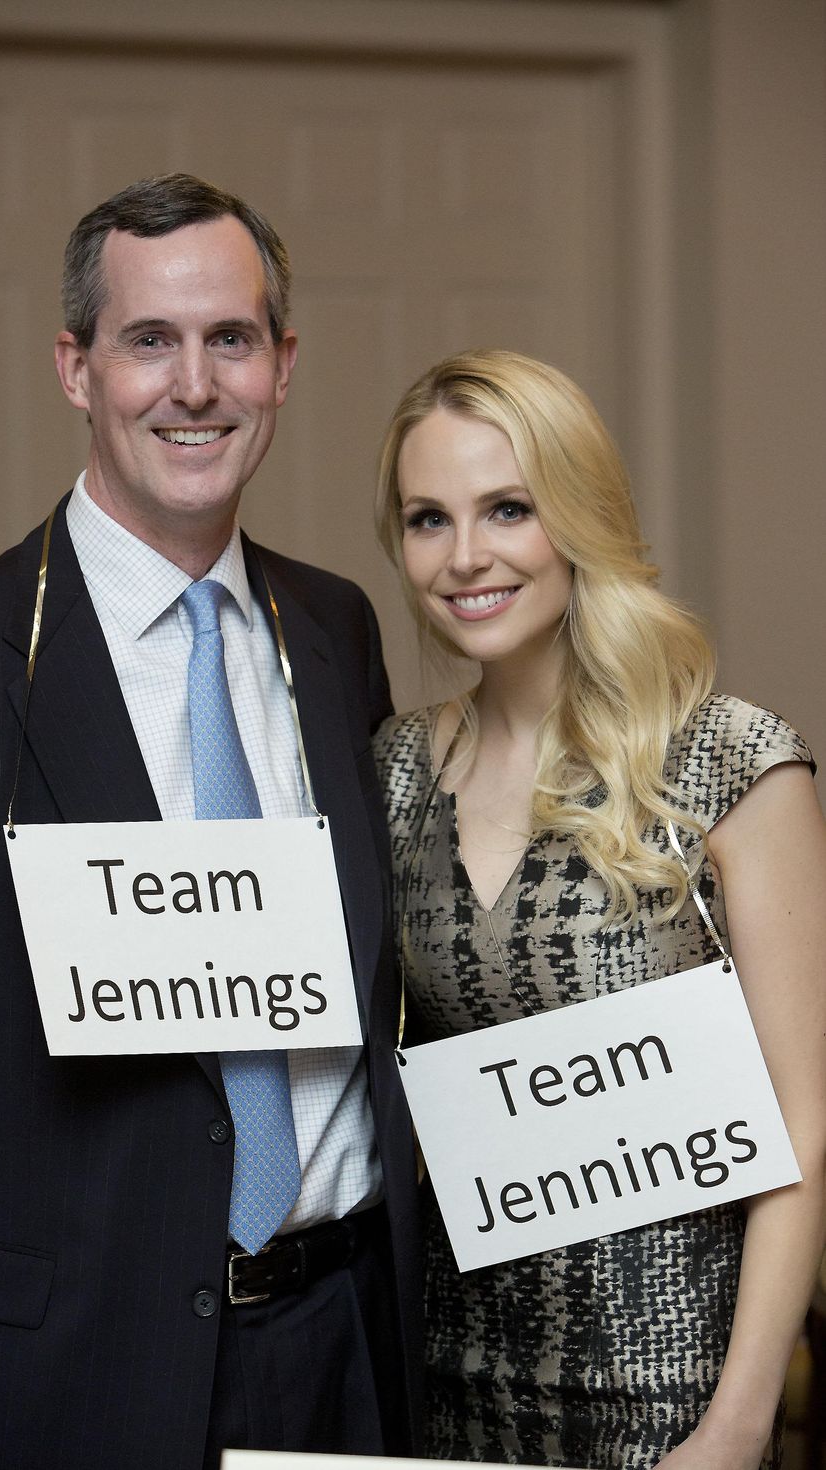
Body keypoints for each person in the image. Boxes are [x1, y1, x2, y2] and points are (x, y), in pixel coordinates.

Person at [0, 174, 421, 1470]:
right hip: (73, 1383)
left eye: (231, 339)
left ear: (282, 365)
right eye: (149, 340)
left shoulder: (336, 631)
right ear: (77, 367)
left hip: (343, 1351)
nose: (194, 385)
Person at [373, 348, 826, 1469]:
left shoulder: (730, 760)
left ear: (577, 516)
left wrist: (736, 1424)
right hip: (445, 1382)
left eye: (507, 508)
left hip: (671, 1393)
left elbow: (800, 1125)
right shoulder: (391, 769)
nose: (465, 556)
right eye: (428, 519)